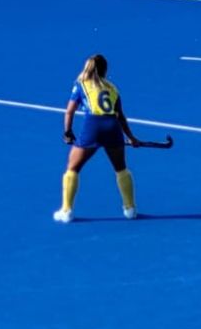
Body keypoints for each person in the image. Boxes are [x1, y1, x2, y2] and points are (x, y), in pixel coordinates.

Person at [54, 54, 141, 223]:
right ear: (105, 70)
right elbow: (121, 117)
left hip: (93, 125)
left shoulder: (81, 85)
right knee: (121, 168)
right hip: (112, 126)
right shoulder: (113, 88)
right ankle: (130, 209)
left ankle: (66, 211)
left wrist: (67, 132)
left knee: (72, 168)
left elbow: (70, 111)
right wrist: (131, 137)